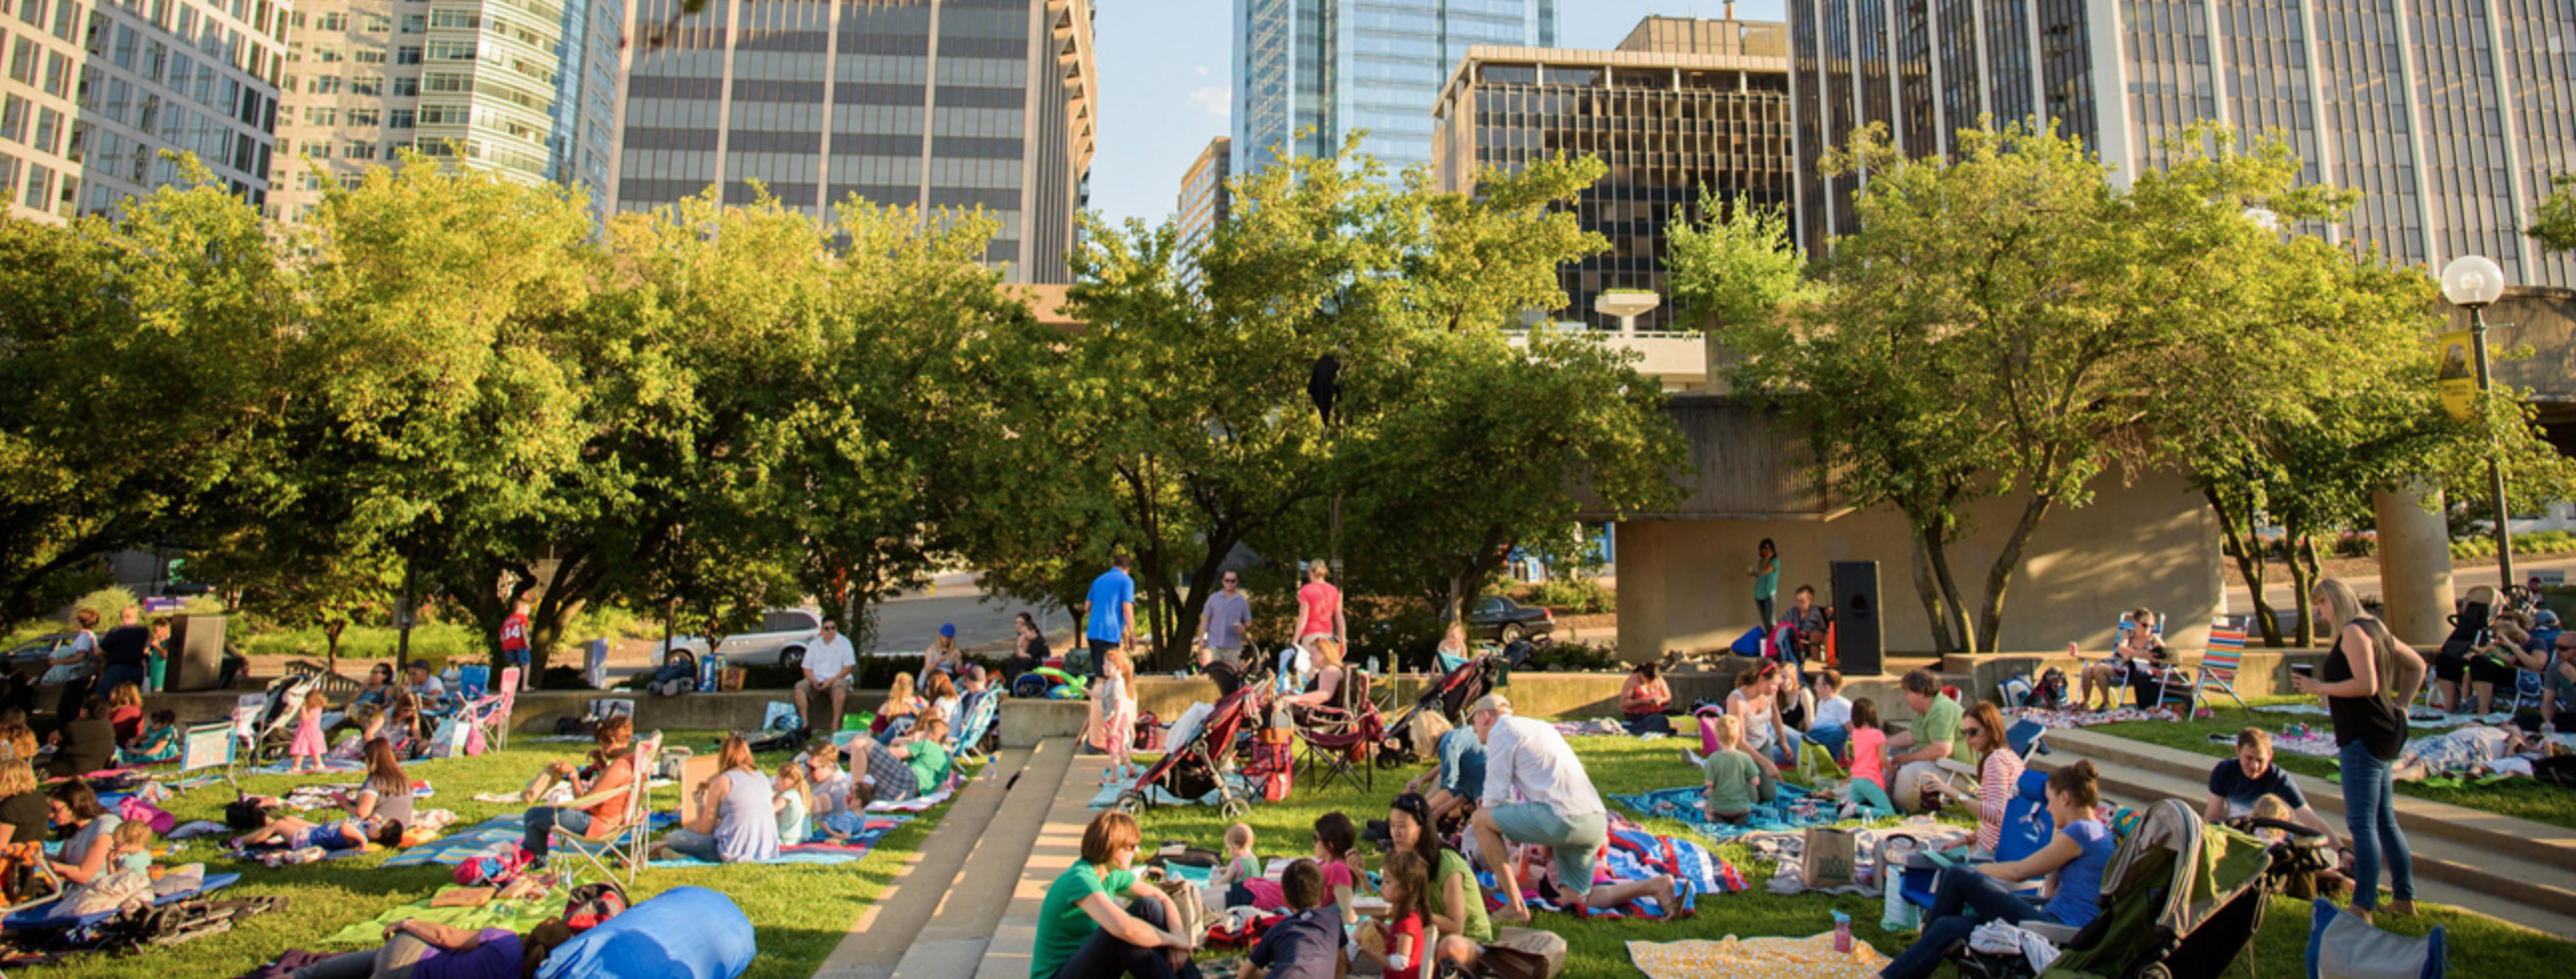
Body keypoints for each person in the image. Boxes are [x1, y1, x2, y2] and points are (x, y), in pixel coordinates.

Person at [1879, 761, 2115, 979]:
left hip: (2055, 930)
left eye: (2050, 801)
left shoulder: (2081, 831)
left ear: (2064, 798)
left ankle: (1917, 955)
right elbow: (2051, 890)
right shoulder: (2097, 832)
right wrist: (2057, 833)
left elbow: (2018, 872)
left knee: (1958, 875)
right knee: (1947, 926)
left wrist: (1979, 870)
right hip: (2053, 924)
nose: (2050, 809)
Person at [1467, 693, 1673, 921]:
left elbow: (1494, 800)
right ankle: (1657, 886)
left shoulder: (1500, 731)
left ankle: (1515, 906)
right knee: (1575, 900)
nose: (1474, 730)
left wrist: (1488, 811)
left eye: (1473, 722)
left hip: (1563, 819)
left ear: (1485, 716)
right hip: (1594, 820)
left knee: (1480, 821)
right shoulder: (1539, 726)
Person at [2291, 577, 2426, 924]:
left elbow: (2366, 684)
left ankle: (2363, 904)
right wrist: (2401, 708)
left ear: (2333, 600)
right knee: (2384, 819)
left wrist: (2320, 686)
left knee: (2362, 824)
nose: (2320, 615)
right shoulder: (2376, 628)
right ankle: (2404, 897)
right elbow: (2417, 665)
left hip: (2362, 736)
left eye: (2320, 606)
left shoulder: (2353, 632)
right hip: (2382, 732)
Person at [1028, 809, 1199, 979]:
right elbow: (1126, 929)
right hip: (1057, 975)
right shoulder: (1080, 880)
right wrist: (1171, 940)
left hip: (1087, 968)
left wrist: (1178, 936)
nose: (1137, 851)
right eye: (1130, 847)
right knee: (1124, 934)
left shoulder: (1111, 873)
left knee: (1149, 905)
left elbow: (1162, 898)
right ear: (1110, 847)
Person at [288, 899, 595, 979]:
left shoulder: (505, 941)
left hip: (410, 954)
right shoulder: (523, 972)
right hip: (409, 969)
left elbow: (443, 935)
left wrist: (408, 922)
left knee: (314, 973)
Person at [1387, 792, 1491, 971]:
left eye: (1402, 826)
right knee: (1368, 930)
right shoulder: (1404, 863)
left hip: (1467, 943)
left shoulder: (1446, 862)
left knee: (1449, 946)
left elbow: (1455, 927)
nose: (1395, 833)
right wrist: (1362, 878)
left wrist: (1413, 913)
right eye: (1392, 825)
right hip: (1426, 939)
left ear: (1422, 828)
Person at [521, 715, 636, 864]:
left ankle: (539, 864)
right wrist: (601, 764)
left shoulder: (618, 768)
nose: (602, 750)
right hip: (617, 820)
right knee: (542, 814)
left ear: (612, 741)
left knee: (532, 817)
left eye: (602, 745)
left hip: (599, 824)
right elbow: (611, 788)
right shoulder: (631, 761)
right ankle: (526, 857)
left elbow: (583, 803)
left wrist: (573, 774)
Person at [654, 734, 779, 864]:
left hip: (733, 850)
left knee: (675, 838)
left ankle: (679, 854)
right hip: (765, 848)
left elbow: (704, 829)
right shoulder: (762, 777)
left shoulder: (724, 781)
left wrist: (699, 804)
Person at [2205, 728, 2339, 840]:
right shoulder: (2224, 771)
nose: (2254, 766)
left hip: (2274, 843)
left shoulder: (2280, 780)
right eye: (2249, 758)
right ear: (2237, 751)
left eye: (2260, 760)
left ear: (2270, 756)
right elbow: (2212, 816)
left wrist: (2341, 851)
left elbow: (2311, 821)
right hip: (2241, 840)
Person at [1233, 860, 1334, 979]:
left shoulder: (1278, 930)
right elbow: (1341, 961)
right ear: (1324, 893)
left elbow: (1243, 974)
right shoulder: (1333, 920)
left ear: (1284, 898)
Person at [1886, 669, 1963, 812]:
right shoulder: (1925, 710)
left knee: (1909, 773)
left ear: (1921, 692)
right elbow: (1911, 736)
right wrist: (1883, 742)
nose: (1905, 698)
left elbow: (1942, 749)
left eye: (1907, 693)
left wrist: (1909, 758)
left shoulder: (1941, 710)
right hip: (1938, 764)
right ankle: (1880, 802)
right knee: (1887, 760)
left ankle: (1905, 810)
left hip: (1957, 770)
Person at [1960, 701, 2025, 856]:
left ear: (1990, 729)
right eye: (1965, 733)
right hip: (1995, 842)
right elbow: (1995, 824)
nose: (1968, 738)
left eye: (1973, 732)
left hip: (1994, 850)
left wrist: (1953, 794)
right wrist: (1967, 840)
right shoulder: (2008, 755)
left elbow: (1997, 815)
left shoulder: (1996, 761)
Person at [846, 714, 953, 806]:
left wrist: (898, 744)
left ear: (929, 735)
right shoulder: (946, 759)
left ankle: (856, 791)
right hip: (909, 795)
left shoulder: (927, 744)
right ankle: (859, 795)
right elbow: (941, 789)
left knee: (859, 741)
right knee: (871, 792)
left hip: (906, 777)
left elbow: (896, 754)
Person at [46, 779, 123, 885]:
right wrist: (38, 856)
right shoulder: (73, 829)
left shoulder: (104, 827)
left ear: (74, 805)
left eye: (55, 810)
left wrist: (50, 865)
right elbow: (62, 861)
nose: (50, 815)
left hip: (102, 888)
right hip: (75, 888)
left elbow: (85, 876)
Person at [1366, 851, 1430, 978]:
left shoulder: (1408, 923)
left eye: (1387, 882)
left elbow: (1400, 962)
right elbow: (1398, 944)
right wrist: (1387, 935)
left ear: (1407, 888)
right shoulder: (1403, 917)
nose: (1382, 886)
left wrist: (1373, 956)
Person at [1701, 714, 1772, 824]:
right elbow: (1756, 781)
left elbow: (1709, 783)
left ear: (1717, 737)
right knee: (1742, 816)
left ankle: (1715, 819)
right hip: (1740, 808)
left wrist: (1711, 787)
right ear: (1738, 736)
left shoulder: (1713, 758)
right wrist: (1745, 778)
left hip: (1719, 808)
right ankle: (1740, 821)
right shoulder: (1745, 757)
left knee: (1708, 808)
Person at [793, 618, 856, 736]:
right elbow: (806, 667)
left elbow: (848, 667)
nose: (830, 631)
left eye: (833, 628)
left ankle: (835, 725)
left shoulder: (844, 643)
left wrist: (830, 681)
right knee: (799, 688)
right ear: (822, 630)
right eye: (827, 628)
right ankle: (805, 724)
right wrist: (813, 680)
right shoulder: (814, 644)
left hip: (838, 678)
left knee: (839, 689)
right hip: (817, 678)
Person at [237, 811, 403, 853]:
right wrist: (374, 819)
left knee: (279, 825)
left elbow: (345, 827)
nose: (377, 821)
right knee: (287, 818)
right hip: (314, 830)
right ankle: (263, 829)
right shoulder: (365, 828)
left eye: (379, 824)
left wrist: (363, 841)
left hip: (306, 840)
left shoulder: (358, 836)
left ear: (376, 835)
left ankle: (240, 841)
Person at [341, 738, 418, 828]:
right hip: (403, 828)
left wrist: (343, 802)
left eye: (364, 758)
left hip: (379, 830)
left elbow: (362, 814)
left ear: (371, 759)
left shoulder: (374, 781)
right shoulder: (403, 779)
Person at [1083, 555, 1139, 680]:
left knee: (1099, 677)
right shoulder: (1126, 581)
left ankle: (1097, 693)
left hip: (1093, 632)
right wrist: (1132, 633)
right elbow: (1127, 608)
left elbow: (1086, 607)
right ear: (1128, 569)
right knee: (1110, 677)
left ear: (1113, 564)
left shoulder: (1098, 580)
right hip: (1109, 633)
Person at [1310, 811, 1367, 923]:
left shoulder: (1338, 868)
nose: (1313, 843)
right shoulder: (1327, 863)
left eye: (1316, 839)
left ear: (1330, 846)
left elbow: (1350, 917)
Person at [49, 608, 101, 727]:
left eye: (75, 620)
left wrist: (59, 662)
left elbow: (80, 656)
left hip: (77, 677)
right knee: (65, 708)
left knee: (70, 710)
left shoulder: (84, 636)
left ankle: (73, 732)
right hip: (77, 677)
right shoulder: (89, 635)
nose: (73, 622)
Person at [1841, 698, 1894, 813]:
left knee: (1847, 806)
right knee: (1888, 811)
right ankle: (1856, 809)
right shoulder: (1878, 734)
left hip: (1856, 779)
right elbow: (1883, 760)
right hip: (1870, 779)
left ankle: (1845, 808)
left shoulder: (1855, 733)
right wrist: (1893, 772)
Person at [48, 695, 118, 778]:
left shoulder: (74, 726)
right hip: (100, 766)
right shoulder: (108, 725)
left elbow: (52, 738)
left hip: (73, 768)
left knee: (41, 769)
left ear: (85, 711)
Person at [96, 605, 151, 702]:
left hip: (117, 668)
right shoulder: (144, 631)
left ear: (122, 617)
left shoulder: (116, 632)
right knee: (131, 697)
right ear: (136, 617)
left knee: (103, 696)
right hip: (137, 668)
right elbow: (145, 650)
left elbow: (99, 651)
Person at [1098, 646, 1138, 780]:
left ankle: (1113, 777)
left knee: (1113, 750)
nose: (1104, 667)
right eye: (1104, 664)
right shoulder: (1111, 681)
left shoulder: (1117, 685)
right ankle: (1130, 768)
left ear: (1118, 668)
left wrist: (1113, 728)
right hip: (1115, 719)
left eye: (1108, 665)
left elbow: (1119, 707)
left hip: (1114, 720)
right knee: (1120, 747)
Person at [1200, 571, 1253, 670]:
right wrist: (1201, 640)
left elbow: (1248, 621)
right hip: (1214, 644)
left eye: (1232, 581)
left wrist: (1244, 627)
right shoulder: (1213, 598)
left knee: (1233, 674)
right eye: (1227, 580)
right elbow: (1205, 620)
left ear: (1236, 582)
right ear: (1222, 582)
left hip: (1233, 646)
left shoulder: (1242, 601)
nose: (1229, 583)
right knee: (1214, 673)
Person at [1284, 638, 1348, 712]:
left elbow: (1325, 695)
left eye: (1312, 654)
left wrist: (1296, 698)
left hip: (1319, 715)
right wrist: (1294, 696)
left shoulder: (1330, 669)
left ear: (1323, 653)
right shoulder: (1328, 669)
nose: (1309, 657)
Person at [1293, 560, 1345, 650]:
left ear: (1310, 572)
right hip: (1328, 637)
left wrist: (1295, 641)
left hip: (1310, 635)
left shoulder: (1306, 590)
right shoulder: (1333, 590)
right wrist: (1343, 641)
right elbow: (1339, 618)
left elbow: (1303, 618)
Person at [1210, 822, 1262, 905]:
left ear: (1235, 847)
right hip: (1257, 896)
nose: (1228, 851)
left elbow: (1222, 883)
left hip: (1242, 900)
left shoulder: (1236, 864)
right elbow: (1245, 871)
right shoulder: (1253, 858)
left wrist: (1214, 881)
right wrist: (1227, 869)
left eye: (1228, 848)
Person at [1808, 669, 1854, 760]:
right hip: (1810, 744)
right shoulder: (1821, 702)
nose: (1814, 687)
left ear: (1827, 688)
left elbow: (1854, 733)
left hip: (1820, 751)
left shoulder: (1841, 705)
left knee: (1782, 730)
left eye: (1817, 684)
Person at [1619, 662, 1674, 733]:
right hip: (1637, 714)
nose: (1650, 682)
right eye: (1648, 680)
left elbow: (1668, 698)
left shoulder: (1659, 679)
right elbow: (1623, 703)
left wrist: (1660, 700)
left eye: (1652, 680)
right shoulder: (1632, 680)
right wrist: (1642, 701)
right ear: (1641, 673)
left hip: (1656, 712)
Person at [288, 690, 331, 774]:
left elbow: (305, 719)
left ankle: (296, 767)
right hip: (314, 732)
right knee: (314, 750)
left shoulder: (313, 710)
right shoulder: (318, 709)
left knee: (299, 751)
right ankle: (319, 764)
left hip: (306, 732)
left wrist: (302, 710)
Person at [871, 672, 920, 743]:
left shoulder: (887, 706)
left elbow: (873, 730)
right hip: (913, 742)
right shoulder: (920, 702)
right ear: (911, 687)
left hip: (890, 743)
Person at [1009, 612, 1052, 688]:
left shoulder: (1037, 642)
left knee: (1017, 662)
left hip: (1038, 671)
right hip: (1034, 669)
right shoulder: (1029, 640)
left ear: (1032, 630)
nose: (1018, 626)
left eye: (1020, 623)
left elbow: (1024, 658)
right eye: (1016, 623)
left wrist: (1020, 644)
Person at [499, 599, 533, 688]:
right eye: (527, 609)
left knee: (512, 665)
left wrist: (505, 643)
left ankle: (510, 686)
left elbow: (502, 635)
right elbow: (523, 629)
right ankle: (524, 685)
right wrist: (527, 642)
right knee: (526, 664)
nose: (528, 612)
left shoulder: (507, 620)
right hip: (520, 644)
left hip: (508, 645)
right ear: (520, 607)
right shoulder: (522, 617)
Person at [1751, 538, 1781, 629]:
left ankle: (1775, 637)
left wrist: (1767, 558)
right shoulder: (1761, 562)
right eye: (1762, 548)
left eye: (1767, 548)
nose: (1764, 550)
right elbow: (1762, 576)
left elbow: (1764, 571)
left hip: (1769, 593)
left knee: (1771, 620)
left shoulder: (1775, 561)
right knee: (1765, 621)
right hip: (1759, 593)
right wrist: (1755, 574)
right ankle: (1768, 636)